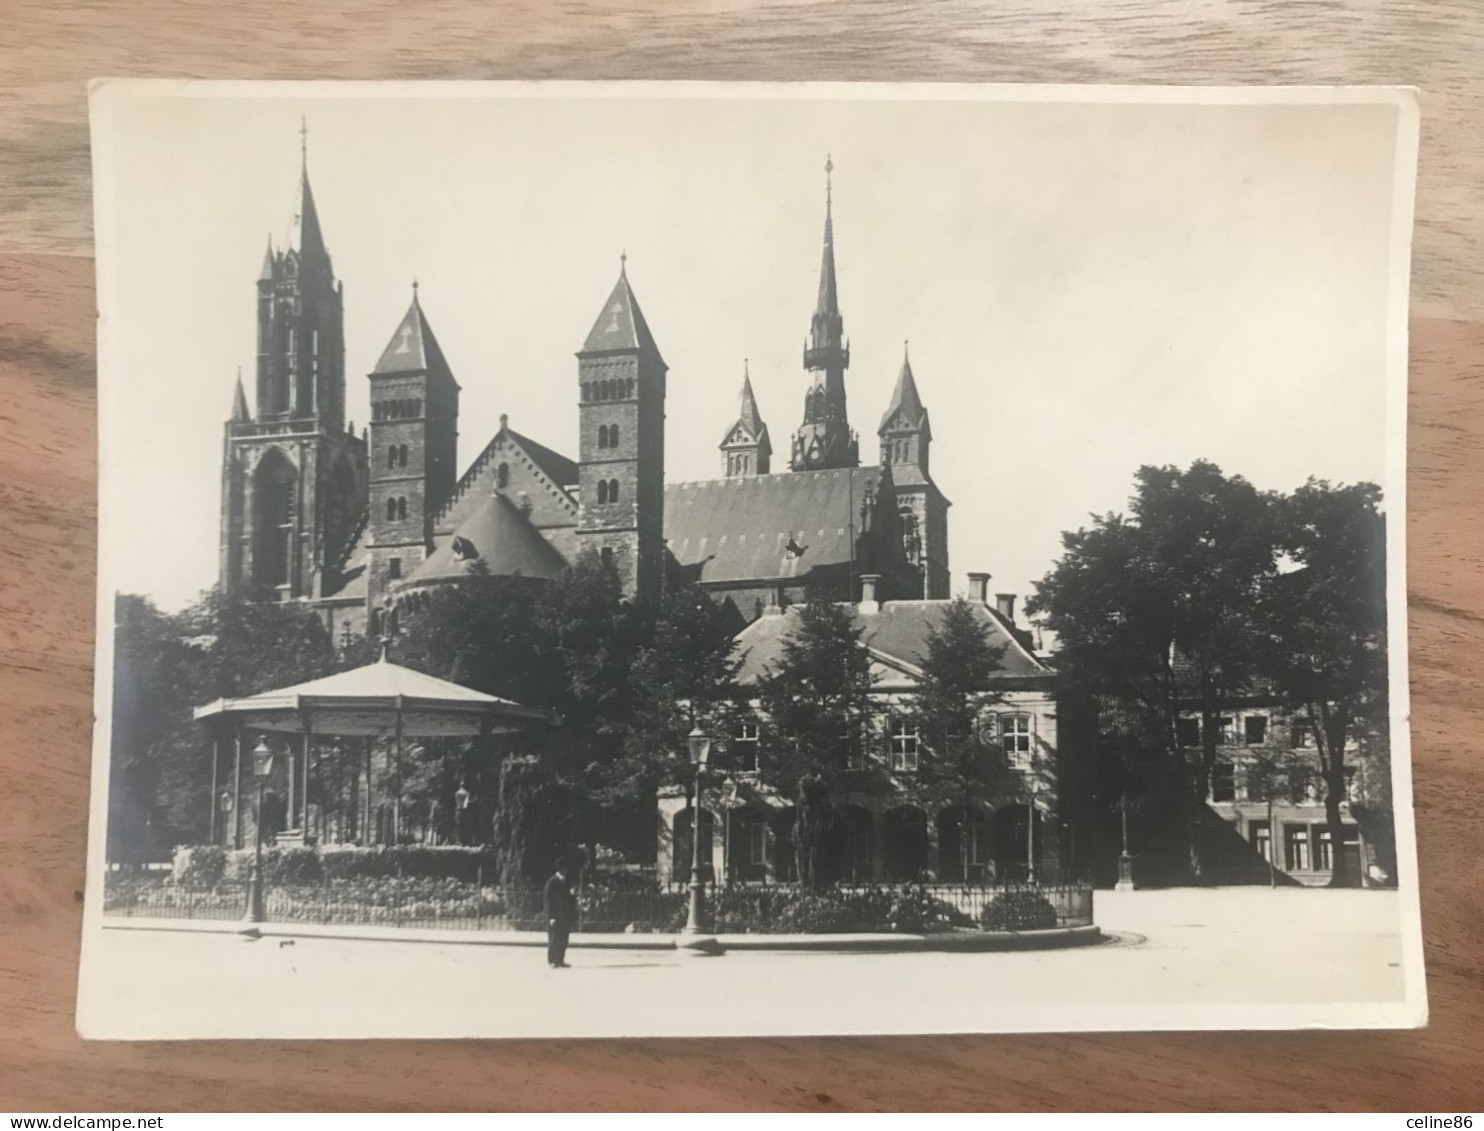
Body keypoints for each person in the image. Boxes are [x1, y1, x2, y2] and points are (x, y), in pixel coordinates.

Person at [543, 859, 577, 968]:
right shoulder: (552, 882)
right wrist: (551, 916)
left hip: (564, 916)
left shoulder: (566, 882)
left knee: (563, 938)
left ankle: (560, 959)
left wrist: (572, 895)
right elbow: (548, 901)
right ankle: (552, 960)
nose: (567, 870)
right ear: (561, 869)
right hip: (555, 916)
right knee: (554, 938)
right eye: (565, 868)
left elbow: (568, 900)